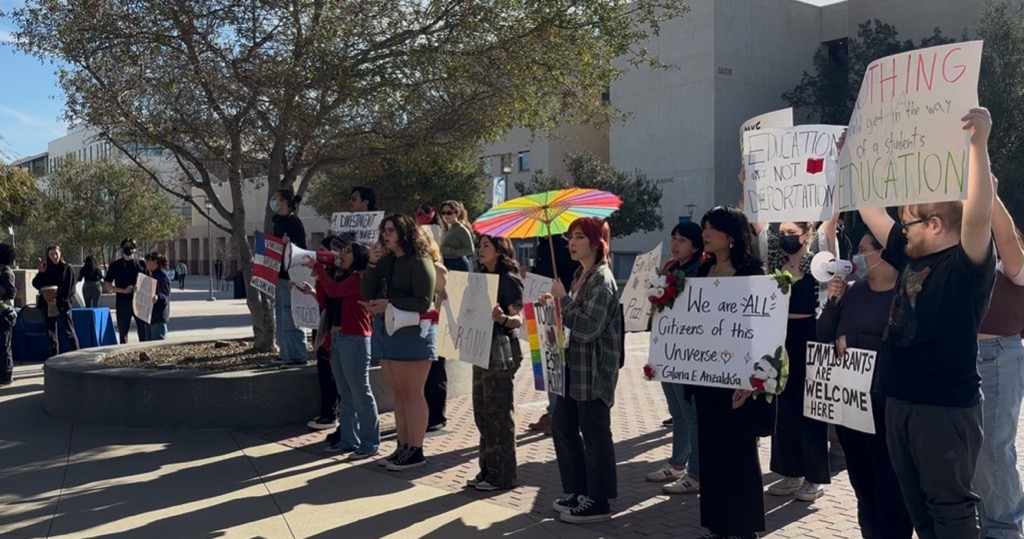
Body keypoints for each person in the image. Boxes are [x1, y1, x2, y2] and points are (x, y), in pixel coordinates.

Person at [856, 108, 995, 538]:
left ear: (935, 224)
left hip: (943, 409)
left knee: (950, 514)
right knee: (920, 514)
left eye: (908, 221)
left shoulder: (966, 265)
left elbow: (976, 216)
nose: (899, 228)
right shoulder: (910, 251)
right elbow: (868, 209)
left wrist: (978, 144)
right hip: (899, 401)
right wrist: (855, 159)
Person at [816, 232, 913, 539]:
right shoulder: (852, 291)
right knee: (862, 480)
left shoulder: (904, 293)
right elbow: (823, 335)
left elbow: (902, 341)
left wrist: (857, 342)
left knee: (889, 481)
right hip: (849, 404)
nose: (856, 256)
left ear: (883, 253)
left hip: (885, 403)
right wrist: (832, 302)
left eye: (862, 250)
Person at [690, 205, 769, 539]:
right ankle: (718, 526)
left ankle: (744, 527)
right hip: (706, 379)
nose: (705, 234)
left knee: (739, 453)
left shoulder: (753, 274)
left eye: (712, 228)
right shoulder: (699, 272)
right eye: (704, 227)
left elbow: (764, 331)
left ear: (732, 235)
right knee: (710, 453)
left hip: (739, 382)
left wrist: (753, 381)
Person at [543, 217, 623, 524]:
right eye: (570, 237)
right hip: (570, 367)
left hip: (593, 371)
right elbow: (569, 321)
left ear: (596, 242)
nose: (571, 243)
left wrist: (562, 300)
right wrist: (551, 307)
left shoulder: (602, 279)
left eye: (579, 237)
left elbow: (589, 327)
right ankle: (578, 490)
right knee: (563, 428)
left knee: (594, 435)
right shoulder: (579, 274)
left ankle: (599, 500)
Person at [758, 219, 836, 503]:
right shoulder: (776, 262)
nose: (786, 238)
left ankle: (814, 477)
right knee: (785, 407)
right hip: (782, 339)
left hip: (810, 338)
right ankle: (790, 471)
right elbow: (759, 229)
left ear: (807, 234)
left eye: (792, 233)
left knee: (811, 409)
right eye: (782, 234)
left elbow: (831, 222)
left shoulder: (820, 264)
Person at [362, 213, 437, 471]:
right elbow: (367, 291)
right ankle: (402, 446)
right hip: (388, 329)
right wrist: (371, 264)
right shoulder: (387, 261)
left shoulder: (419, 260)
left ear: (405, 233)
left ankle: (415, 449)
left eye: (391, 230)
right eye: (384, 229)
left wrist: (389, 304)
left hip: (413, 333)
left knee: (412, 392)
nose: (386, 234)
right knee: (399, 393)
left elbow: (423, 301)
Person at [975, 177, 1024, 539]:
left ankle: (1004, 531)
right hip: (959, 357)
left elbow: (1006, 238)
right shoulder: (964, 259)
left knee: (992, 452)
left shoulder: (1011, 264)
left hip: (995, 359)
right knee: (970, 452)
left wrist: (990, 195)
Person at [306, 241, 380, 460]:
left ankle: (369, 442)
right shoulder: (342, 277)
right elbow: (326, 300)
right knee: (345, 393)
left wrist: (319, 269)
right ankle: (349, 439)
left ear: (358, 257)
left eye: (347, 252)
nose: (342, 255)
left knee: (360, 393)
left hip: (355, 339)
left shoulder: (360, 278)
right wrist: (319, 280)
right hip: (338, 337)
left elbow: (336, 291)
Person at [647, 221, 703, 494]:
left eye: (681, 239)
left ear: (695, 245)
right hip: (667, 348)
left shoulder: (699, 270)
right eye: (673, 238)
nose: (675, 243)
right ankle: (678, 463)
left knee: (691, 413)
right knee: (677, 411)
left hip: (688, 351)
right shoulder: (670, 268)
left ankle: (696, 472)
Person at [468, 234, 524, 492]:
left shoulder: (509, 280)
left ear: (500, 251)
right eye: (480, 246)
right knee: (482, 413)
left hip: (499, 353)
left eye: (486, 246)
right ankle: (487, 470)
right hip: (479, 350)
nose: (481, 250)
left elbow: (519, 319)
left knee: (498, 415)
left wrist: (503, 318)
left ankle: (502, 475)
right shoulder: (479, 279)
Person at [525, 233, 580, 434]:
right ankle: (554, 411)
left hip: (558, 311)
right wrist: (531, 271)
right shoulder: (543, 247)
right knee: (549, 363)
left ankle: (558, 414)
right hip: (545, 311)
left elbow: (568, 276)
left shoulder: (561, 247)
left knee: (556, 363)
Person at [308, 236, 343, 433]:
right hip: (326, 323)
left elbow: (334, 295)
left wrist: (321, 273)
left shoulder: (340, 275)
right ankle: (329, 413)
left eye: (324, 252)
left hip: (335, 330)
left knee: (331, 373)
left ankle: (331, 414)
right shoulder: (328, 275)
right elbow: (325, 301)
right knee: (324, 369)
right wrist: (314, 289)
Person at [270, 188, 309, 367]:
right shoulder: (278, 222)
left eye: (276, 199)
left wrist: (289, 244)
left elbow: (301, 248)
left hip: (290, 275)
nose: (273, 202)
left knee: (291, 314)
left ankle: (298, 354)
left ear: (285, 201)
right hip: (279, 274)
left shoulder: (294, 222)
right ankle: (285, 352)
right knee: (281, 315)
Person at [420, 229, 449, 432]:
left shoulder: (437, 268)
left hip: (436, 324)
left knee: (436, 372)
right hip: (417, 325)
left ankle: (436, 416)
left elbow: (444, 299)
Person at [32, 245, 80, 358]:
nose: (54, 256)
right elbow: (36, 284)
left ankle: (77, 357)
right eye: (51, 254)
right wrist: (41, 272)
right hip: (47, 305)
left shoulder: (67, 268)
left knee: (69, 331)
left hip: (62, 304)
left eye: (56, 253)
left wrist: (57, 301)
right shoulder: (46, 269)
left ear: (60, 253)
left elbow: (70, 289)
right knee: (50, 333)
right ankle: (53, 358)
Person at [105, 238, 146, 343]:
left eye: (131, 246)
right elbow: (108, 286)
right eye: (126, 246)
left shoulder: (142, 264)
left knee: (143, 332)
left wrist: (140, 288)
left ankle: (144, 353)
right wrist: (123, 290)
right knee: (123, 334)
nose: (128, 249)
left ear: (135, 249)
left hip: (140, 302)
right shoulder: (115, 265)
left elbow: (149, 282)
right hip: (123, 303)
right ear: (122, 248)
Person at [142, 252, 172, 341]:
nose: (146, 263)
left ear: (155, 262)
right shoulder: (151, 275)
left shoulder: (163, 276)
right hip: (149, 316)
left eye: (148, 260)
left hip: (158, 317)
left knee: (158, 343)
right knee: (148, 344)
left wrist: (157, 297)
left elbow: (165, 297)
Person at [438, 200, 475, 272]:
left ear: (456, 213)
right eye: (443, 213)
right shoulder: (448, 229)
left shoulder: (461, 229)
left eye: (449, 213)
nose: (445, 215)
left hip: (458, 265)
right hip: (448, 264)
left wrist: (448, 250)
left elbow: (470, 251)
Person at [0, 243, 15, 386]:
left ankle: (7, 376)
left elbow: (11, 292)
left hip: (5, 313)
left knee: (5, 346)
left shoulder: (7, 273)